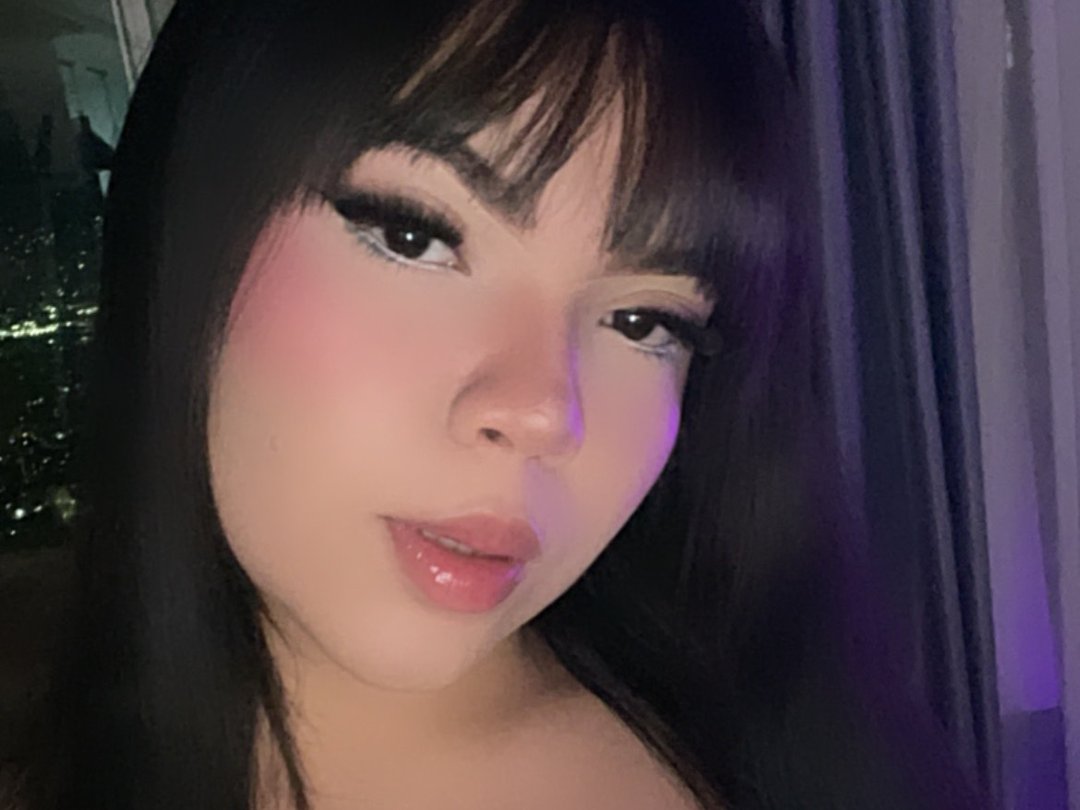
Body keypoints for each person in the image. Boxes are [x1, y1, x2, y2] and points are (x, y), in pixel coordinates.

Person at [3, 0, 988, 808]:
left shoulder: (792, 746)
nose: (544, 412)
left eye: (644, 321)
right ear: (191, 215)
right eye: (415, 235)